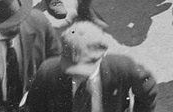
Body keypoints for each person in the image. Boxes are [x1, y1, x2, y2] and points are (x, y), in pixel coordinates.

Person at [25, 21, 158, 112]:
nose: (76, 77)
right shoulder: (48, 71)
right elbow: (34, 107)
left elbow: (148, 87)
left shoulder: (122, 68)